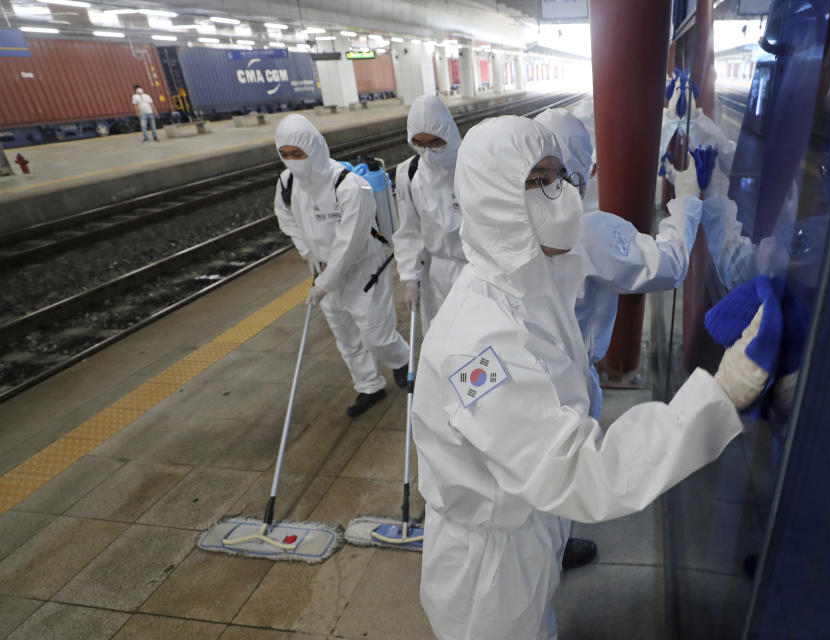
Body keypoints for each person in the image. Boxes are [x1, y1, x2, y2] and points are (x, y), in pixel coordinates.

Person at [412, 115, 768, 640]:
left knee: (539, 621)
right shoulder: (474, 347)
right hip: (489, 565)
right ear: (494, 202)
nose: (563, 196)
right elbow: (581, 470)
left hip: (527, 518)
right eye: (539, 182)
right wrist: (718, 395)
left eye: (561, 177)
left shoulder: (531, 277)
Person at [535, 108, 700, 421]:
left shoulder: (507, 225)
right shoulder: (592, 234)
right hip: (571, 390)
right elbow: (670, 265)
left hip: (521, 383)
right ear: (589, 171)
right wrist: (687, 201)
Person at [272, 114, 410, 417]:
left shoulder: (350, 187)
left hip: (363, 269)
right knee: (346, 337)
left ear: (315, 148)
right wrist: (307, 251)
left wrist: (324, 284)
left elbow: (349, 245)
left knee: (376, 335)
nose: (292, 161)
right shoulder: (287, 182)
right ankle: (369, 386)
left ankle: (403, 360)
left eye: (298, 154)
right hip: (323, 269)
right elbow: (286, 217)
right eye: (286, 155)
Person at [393, 95, 467, 333]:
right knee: (437, 336)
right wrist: (410, 277)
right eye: (420, 144)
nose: (429, 152)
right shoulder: (409, 173)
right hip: (434, 272)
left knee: (472, 337)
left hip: (474, 270)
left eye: (436, 143)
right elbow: (409, 230)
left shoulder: (472, 164)